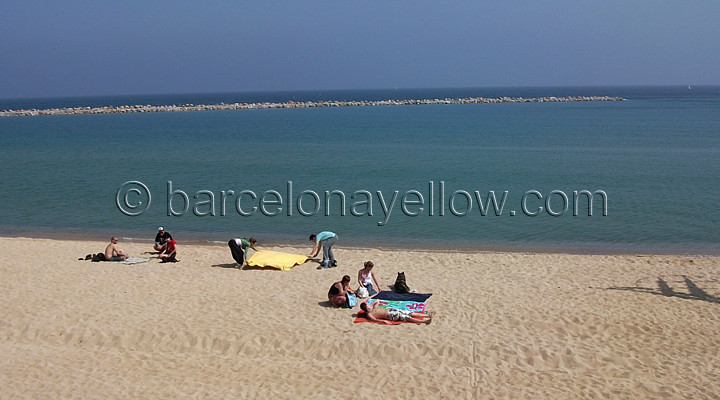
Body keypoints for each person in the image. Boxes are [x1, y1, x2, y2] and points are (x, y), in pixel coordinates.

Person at [360, 301, 434, 324]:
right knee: (407, 317)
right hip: (390, 315)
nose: (369, 306)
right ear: (366, 308)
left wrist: (370, 304)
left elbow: (377, 301)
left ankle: (427, 315)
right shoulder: (369, 314)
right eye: (367, 305)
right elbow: (375, 320)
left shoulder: (373, 308)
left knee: (410, 312)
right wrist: (384, 321)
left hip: (392, 310)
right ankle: (425, 321)